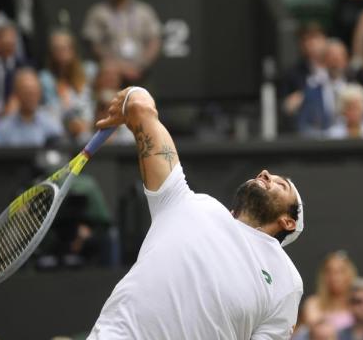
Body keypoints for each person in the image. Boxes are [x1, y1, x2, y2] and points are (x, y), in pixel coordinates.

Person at [88, 86, 304, 339]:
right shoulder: (189, 203)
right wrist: (131, 95)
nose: (266, 174)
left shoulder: (287, 281)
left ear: (288, 222)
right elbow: (141, 109)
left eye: (281, 185)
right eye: (267, 175)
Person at [81, 0, 162, 85]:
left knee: (144, 100)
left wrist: (141, 65)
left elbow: (154, 41)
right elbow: (93, 45)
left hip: (141, 72)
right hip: (111, 73)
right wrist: (119, 66)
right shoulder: (98, 13)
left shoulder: (144, 11)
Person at [39, 30, 97, 143]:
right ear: (51, 53)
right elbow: (50, 112)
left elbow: (96, 102)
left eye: (65, 48)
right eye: (57, 49)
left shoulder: (90, 71)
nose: (62, 53)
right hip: (62, 134)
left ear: (74, 50)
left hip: (91, 128)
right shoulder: (45, 79)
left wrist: (89, 124)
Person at [0, 69, 63, 148]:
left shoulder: (52, 123)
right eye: (26, 92)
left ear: (40, 93)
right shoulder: (3, 127)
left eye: (34, 92)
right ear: (16, 94)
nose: (30, 97)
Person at [301, 251, 358, 333]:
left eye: (341, 271)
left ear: (350, 275)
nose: (334, 277)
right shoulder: (313, 304)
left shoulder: (359, 304)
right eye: (329, 271)